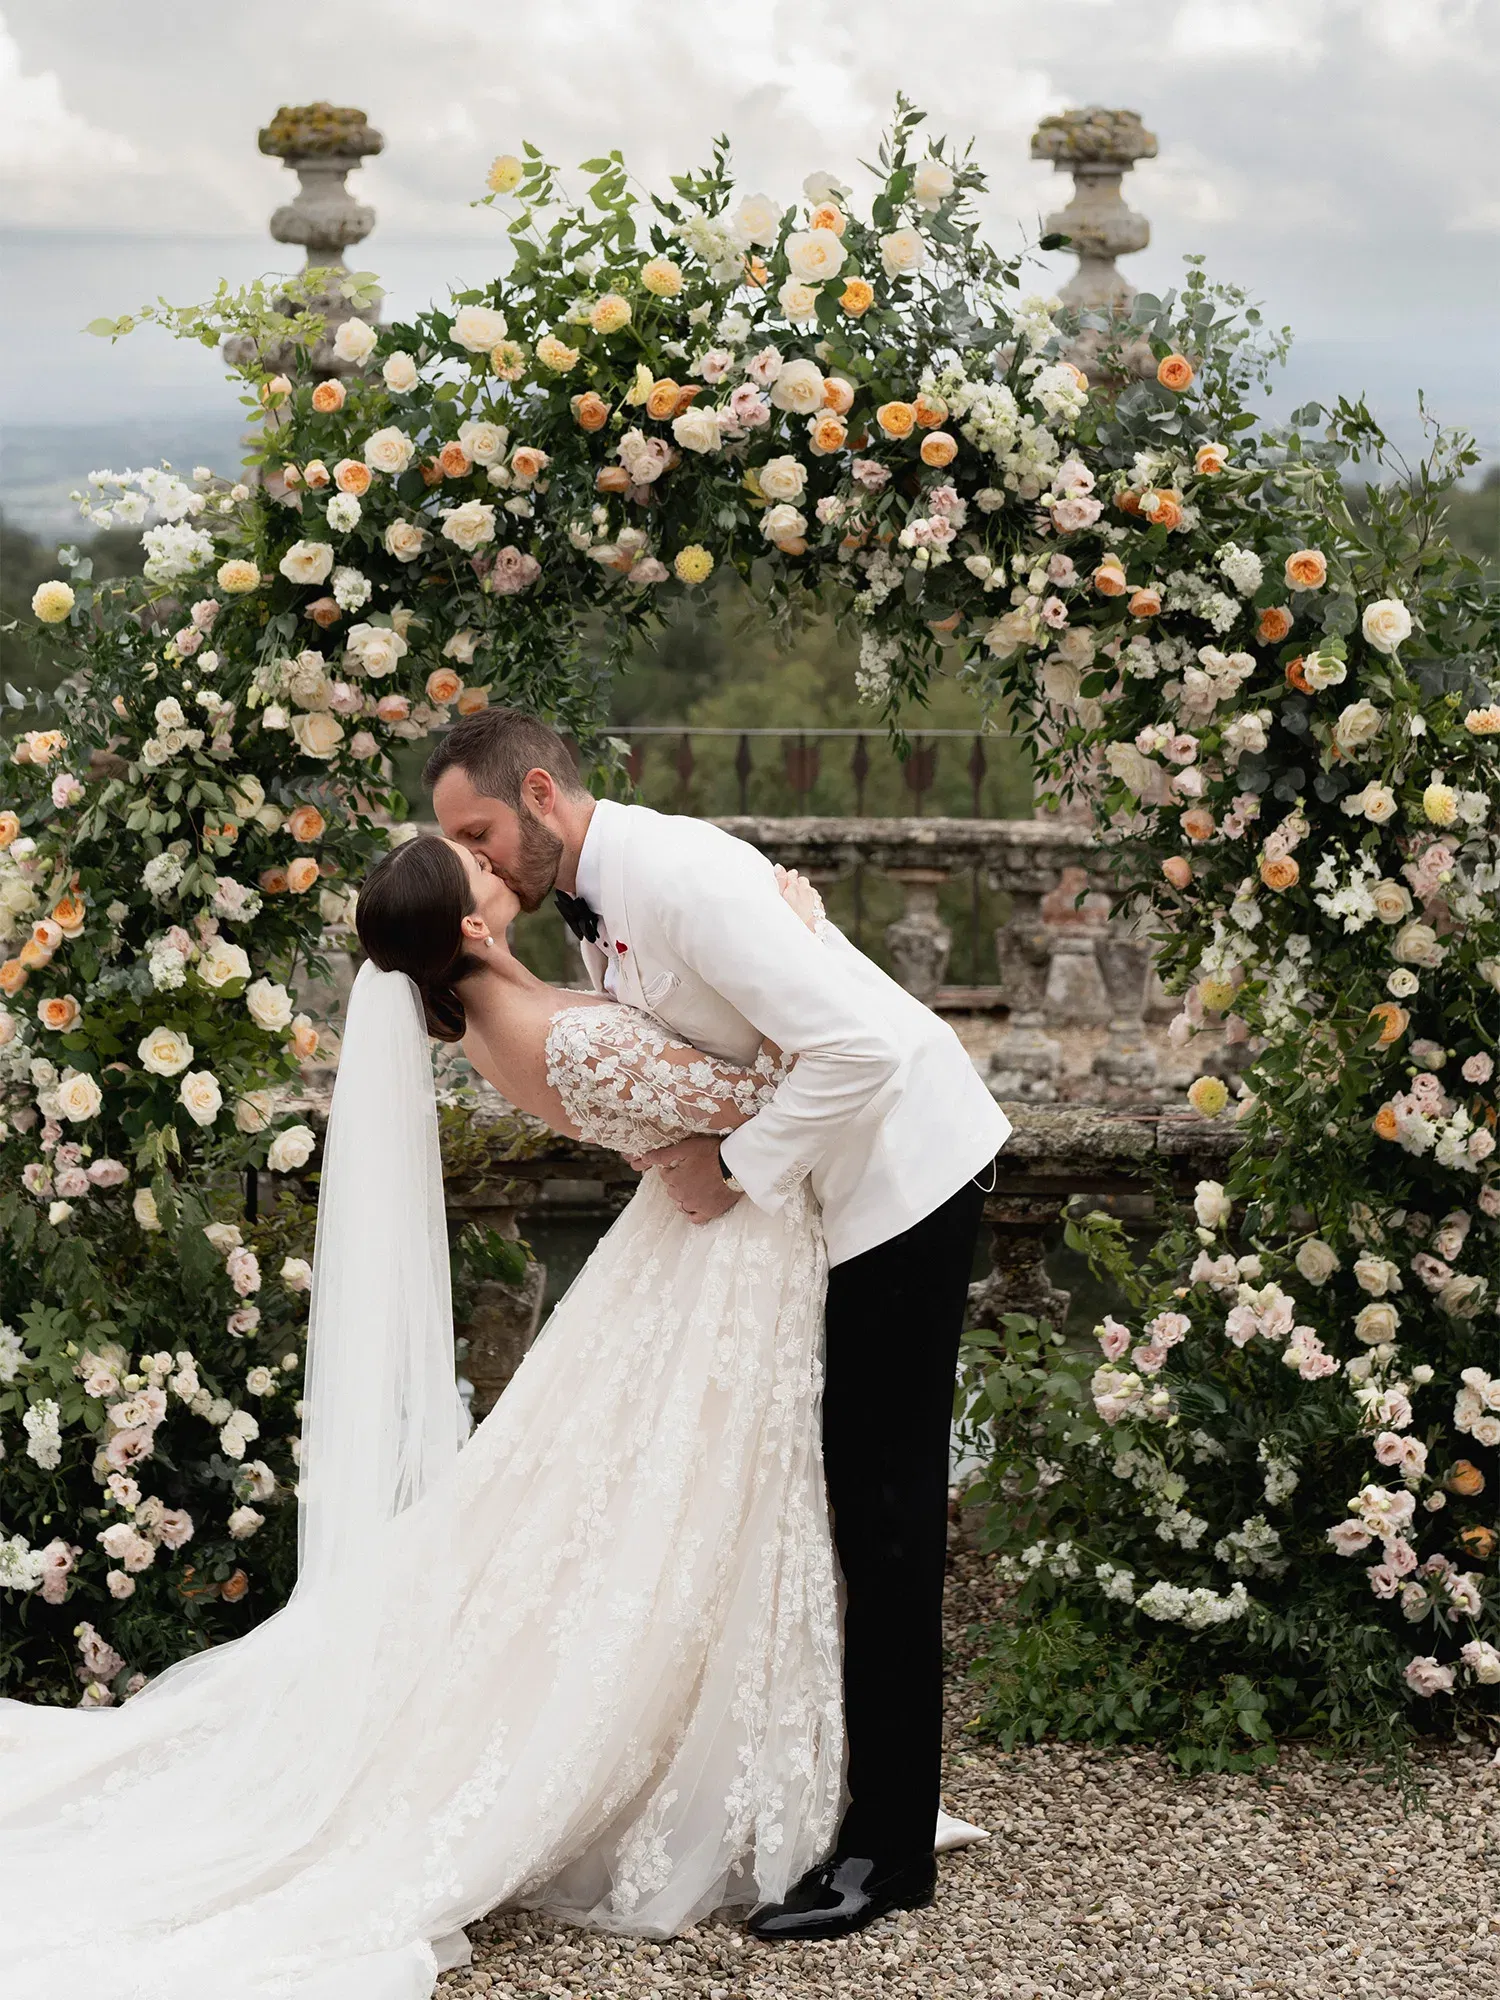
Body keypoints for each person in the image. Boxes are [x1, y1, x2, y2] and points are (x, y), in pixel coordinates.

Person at [0, 841, 847, 1997]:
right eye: (476, 866)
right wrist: (800, 937)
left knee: (654, 1511)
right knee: (685, 1509)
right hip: (718, 1254)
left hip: (686, 1249)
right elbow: (772, 1092)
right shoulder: (556, 1034)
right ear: (473, 927)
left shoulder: (504, 1020)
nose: (496, 863)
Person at [427, 707, 1010, 1940]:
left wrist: (734, 1165)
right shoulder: (594, 899)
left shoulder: (679, 874)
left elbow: (863, 1049)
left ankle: (887, 1852)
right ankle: (856, 1806)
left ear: (540, 794)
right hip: (832, 1186)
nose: (475, 859)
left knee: (888, 1514)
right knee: (852, 1500)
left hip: (904, 1177)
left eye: (479, 832)